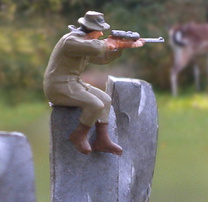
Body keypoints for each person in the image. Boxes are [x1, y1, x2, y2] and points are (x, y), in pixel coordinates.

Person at [44, 11, 144, 155]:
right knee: (95, 104)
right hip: (58, 87)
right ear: (92, 30)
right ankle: (79, 135)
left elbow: (101, 58)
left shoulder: (85, 43)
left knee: (105, 99)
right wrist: (110, 43)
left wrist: (120, 46)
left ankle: (102, 140)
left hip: (73, 83)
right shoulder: (71, 42)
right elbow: (97, 48)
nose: (101, 34)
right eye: (100, 31)